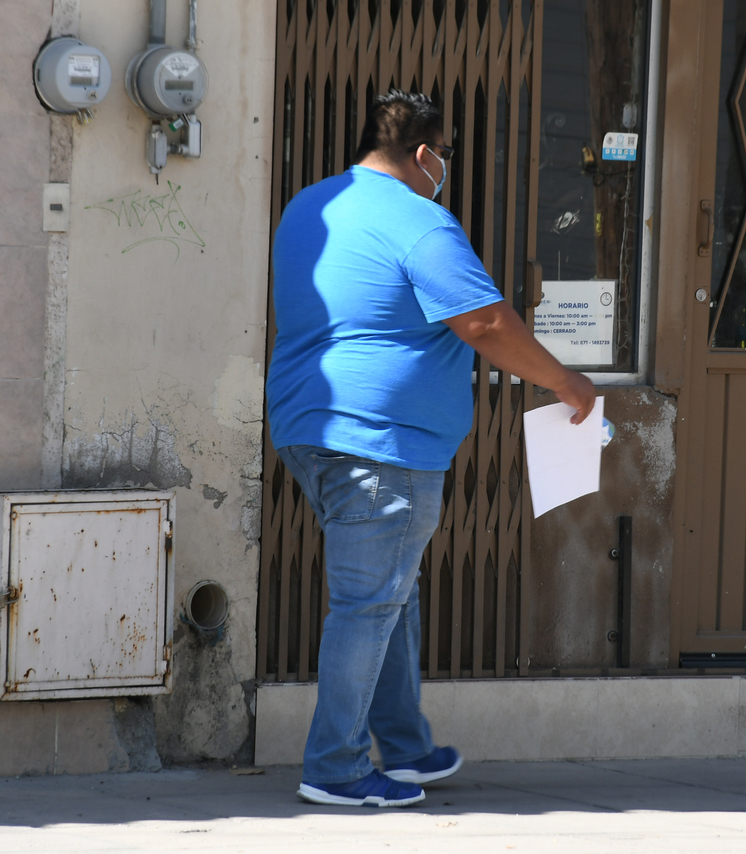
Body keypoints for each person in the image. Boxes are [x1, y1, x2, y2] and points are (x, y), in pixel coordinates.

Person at [266, 90, 596, 808]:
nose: (443, 167)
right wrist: (566, 382)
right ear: (423, 155)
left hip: (306, 429)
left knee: (391, 591)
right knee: (368, 603)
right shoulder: (419, 220)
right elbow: (483, 322)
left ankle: (407, 749)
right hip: (384, 442)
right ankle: (337, 767)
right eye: (443, 154)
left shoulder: (307, 209)